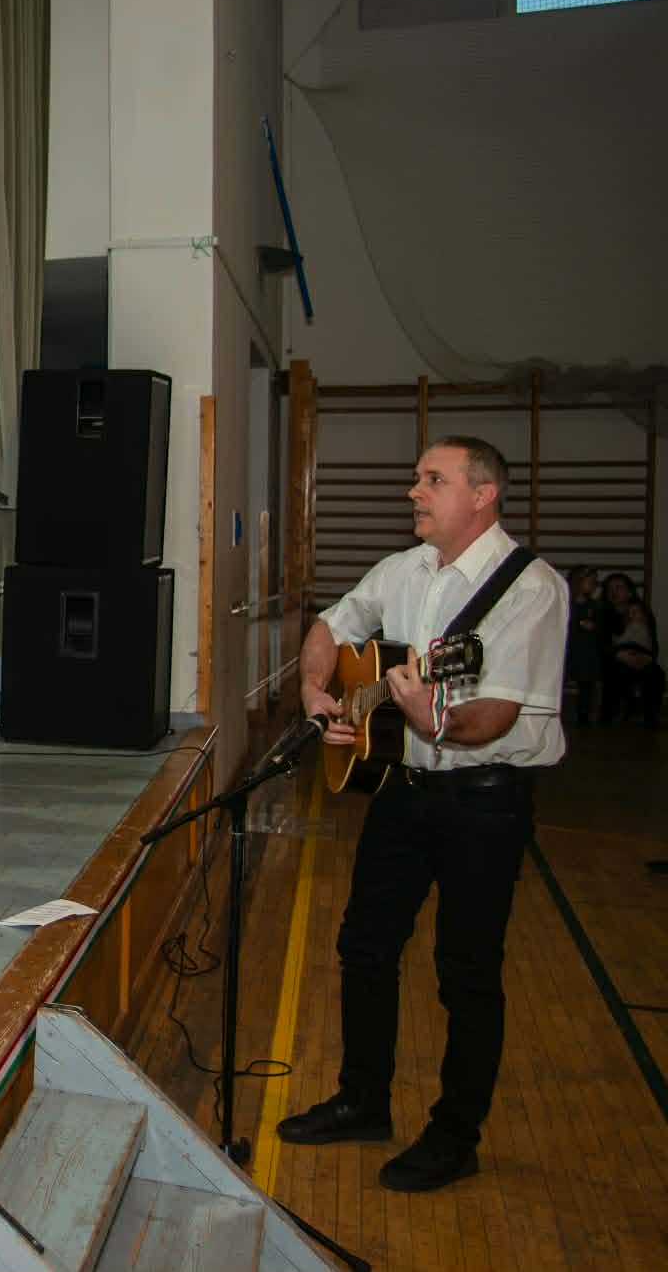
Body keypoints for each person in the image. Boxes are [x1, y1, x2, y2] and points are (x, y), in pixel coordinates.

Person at [276, 436, 566, 1194]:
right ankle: (363, 1100)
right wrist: (317, 692)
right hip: (403, 790)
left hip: (486, 801)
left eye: (433, 479)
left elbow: (493, 715)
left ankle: (454, 1136)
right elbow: (331, 627)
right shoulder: (401, 570)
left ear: (483, 495)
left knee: (466, 971)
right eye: (415, 478)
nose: (414, 491)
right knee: (365, 946)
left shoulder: (532, 589)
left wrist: (427, 715)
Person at [597, 572, 663, 725]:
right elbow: (600, 643)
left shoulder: (643, 612)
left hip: (641, 655)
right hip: (613, 658)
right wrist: (618, 654)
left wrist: (648, 657)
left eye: (618, 587)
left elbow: (652, 641)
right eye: (610, 589)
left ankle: (651, 718)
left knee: (655, 674)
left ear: (630, 591)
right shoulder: (602, 613)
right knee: (614, 672)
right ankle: (608, 717)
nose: (613, 592)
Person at [563, 565, 601, 727]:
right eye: (590, 581)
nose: (593, 585)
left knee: (587, 683)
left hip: (587, 652)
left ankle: (584, 716)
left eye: (595, 582)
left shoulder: (595, 606)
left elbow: (601, 629)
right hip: (567, 650)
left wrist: (594, 627)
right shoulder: (565, 604)